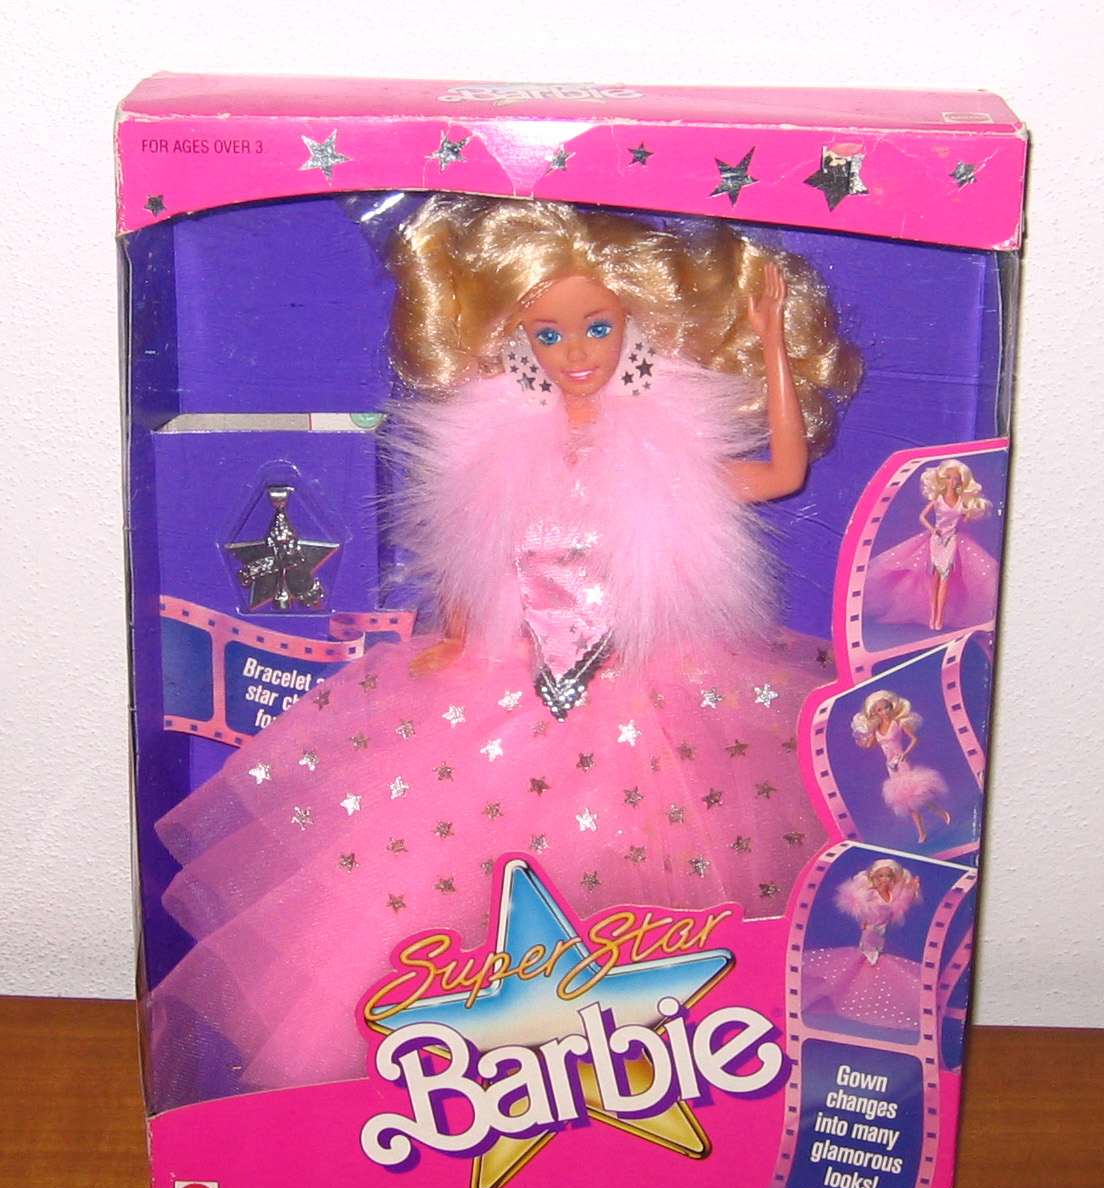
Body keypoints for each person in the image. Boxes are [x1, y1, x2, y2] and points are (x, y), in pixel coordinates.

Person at [147, 195, 859, 1106]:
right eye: (548, 333)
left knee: (656, 896)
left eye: (597, 326)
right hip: (513, 687)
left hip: (646, 694)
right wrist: (454, 636)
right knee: (445, 882)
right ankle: (491, 1080)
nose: (576, 353)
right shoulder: (497, 451)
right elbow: (473, 555)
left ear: (634, 323)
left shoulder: (665, 456)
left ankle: (634, 1081)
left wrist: (770, 346)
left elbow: (783, 472)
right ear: (517, 340)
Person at [866, 459, 997, 632]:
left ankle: (939, 619)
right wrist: (933, 529)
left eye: (956, 479)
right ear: (944, 479)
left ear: (961, 482)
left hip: (952, 541)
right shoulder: (938, 499)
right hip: (936, 541)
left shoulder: (960, 501)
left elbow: (966, 519)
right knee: (934, 580)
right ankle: (933, 616)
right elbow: (922, 516)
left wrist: (971, 510)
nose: (952, 482)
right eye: (949, 478)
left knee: (945, 580)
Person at [802, 859, 923, 1032]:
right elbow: (861, 907)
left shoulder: (894, 895)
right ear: (874, 877)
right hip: (871, 928)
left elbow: (903, 901)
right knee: (867, 955)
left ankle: (872, 991)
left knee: (878, 958)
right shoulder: (871, 894)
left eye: (888, 876)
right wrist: (863, 922)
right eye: (880, 876)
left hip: (882, 930)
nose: (884, 880)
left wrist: (913, 886)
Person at [851, 690, 950, 842]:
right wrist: (861, 743)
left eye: (886, 707)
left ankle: (939, 816)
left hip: (902, 763)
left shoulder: (898, 723)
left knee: (917, 796)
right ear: (875, 713)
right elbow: (870, 745)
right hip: (891, 767)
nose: (884, 712)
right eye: (880, 710)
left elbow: (914, 739)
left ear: (892, 707)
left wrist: (906, 753)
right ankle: (923, 831)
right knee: (907, 802)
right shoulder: (876, 729)